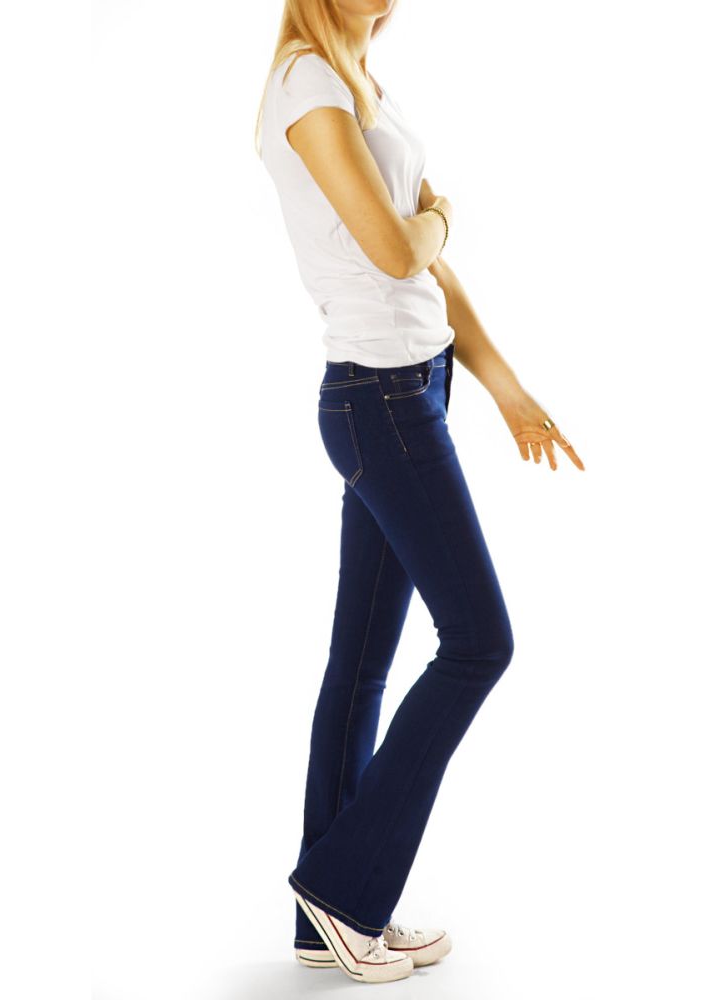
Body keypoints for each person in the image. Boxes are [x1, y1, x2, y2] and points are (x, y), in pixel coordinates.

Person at [254, 0, 585, 984]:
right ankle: (345, 887)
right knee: (479, 642)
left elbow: (427, 271)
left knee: (360, 663)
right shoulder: (306, 86)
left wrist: (506, 388)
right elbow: (400, 252)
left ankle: (324, 916)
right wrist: (440, 216)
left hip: (413, 389)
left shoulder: (365, 84)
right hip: (380, 401)